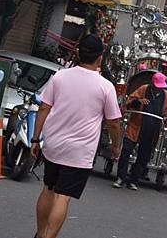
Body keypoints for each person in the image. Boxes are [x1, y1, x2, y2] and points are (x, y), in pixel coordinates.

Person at [31, 35, 121, 238]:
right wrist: (116, 146)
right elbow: (113, 122)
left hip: (53, 144)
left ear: (79, 53)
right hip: (79, 152)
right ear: (100, 58)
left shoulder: (60, 76)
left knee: (48, 188)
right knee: (63, 197)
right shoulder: (106, 86)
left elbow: (44, 107)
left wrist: (35, 139)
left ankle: (39, 233)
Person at [113, 72, 167, 190]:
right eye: (156, 86)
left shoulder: (165, 95)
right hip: (135, 127)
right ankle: (121, 177)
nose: (158, 89)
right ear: (152, 83)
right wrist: (138, 102)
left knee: (143, 157)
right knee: (126, 151)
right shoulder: (143, 89)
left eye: (160, 87)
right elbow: (129, 102)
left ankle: (133, 180)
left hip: (152, 130)